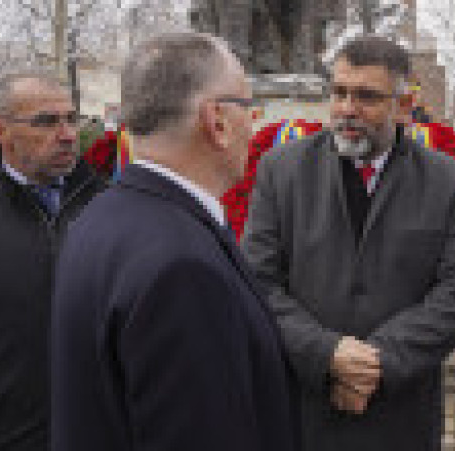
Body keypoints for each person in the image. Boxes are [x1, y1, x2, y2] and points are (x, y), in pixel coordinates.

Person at [51, 32, 297, 451]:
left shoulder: (100, 216)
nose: (253, 126)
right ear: (217, 121)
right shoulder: (183, 266)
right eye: (247, 107)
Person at [241, 35, 455, 451]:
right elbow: (255, 283)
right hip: (302, 415)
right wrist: (327, 354)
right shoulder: (281, 171)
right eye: (339, 93)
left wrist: (377, 363)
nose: (347, 110)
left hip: (400, 419)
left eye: (367, 97)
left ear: (404, 106)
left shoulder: (447, 182)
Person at [0, 72, 105, 450]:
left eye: (72, 119)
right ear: (0, 131)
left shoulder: (110, 208)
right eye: (46, 121)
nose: (68, 134)